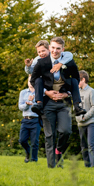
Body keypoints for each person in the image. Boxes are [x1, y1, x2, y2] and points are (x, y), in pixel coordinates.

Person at [30, 37, 82, 168]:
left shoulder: (68, 62)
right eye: (52, 48)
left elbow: (76, 78)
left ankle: (58, 151)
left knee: (66, 131)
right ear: (49, 48)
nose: (55, 51)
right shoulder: (42, 63)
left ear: (62, 50)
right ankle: (52, 166)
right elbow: (33, 80)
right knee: (50, 135)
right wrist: (46, 93)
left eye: (58, 48)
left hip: (64, 102)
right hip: (47, 102)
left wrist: (67, 93)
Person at [25, 40, 84, 117]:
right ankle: (39, 104)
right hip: (47, 86)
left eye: (43, 51)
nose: (41, 53)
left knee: (74, 80)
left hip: (63, 87)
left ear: (48, 49)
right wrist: (28, 66)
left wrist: (60, 64)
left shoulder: (64, 56)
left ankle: (77, 106)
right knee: (38, 80)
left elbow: (70, 55)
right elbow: (31, 73)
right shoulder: (38, 60)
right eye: (39, 52)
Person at [76, 70, 94, 167]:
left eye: (78, 80)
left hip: (91, 122)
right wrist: (79, 118)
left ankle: (93, 166)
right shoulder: (76, 92)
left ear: (83, 80)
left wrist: (85, 116)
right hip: (81, 123)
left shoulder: (91, 91)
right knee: (83, 146)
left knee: (90, 144)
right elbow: (75, 107)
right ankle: (87, 166)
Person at [17, 77, 41, 163]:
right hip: (25, 120)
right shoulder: (23, 92)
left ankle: (34, 160)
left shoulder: (40, 92)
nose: (31, 82)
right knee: (22, 140)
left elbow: (41, 107)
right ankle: (28, 153)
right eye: (29, 81)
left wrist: (33, 103)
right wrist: (28, 102)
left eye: (33, 81)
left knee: (35, 142)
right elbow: (20, 107)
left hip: (36, 120)